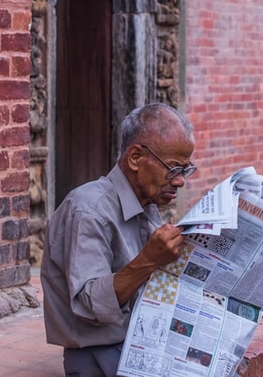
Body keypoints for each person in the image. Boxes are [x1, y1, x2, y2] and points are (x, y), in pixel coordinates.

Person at [41, 102, 197, 376]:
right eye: (173, 169)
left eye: (185, 170)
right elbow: (91, 306)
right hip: (99, 351)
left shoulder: (146, 202)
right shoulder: (88, 209)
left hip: (140, 337)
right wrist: (149, 260)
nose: (180, 181)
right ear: (136, 157)